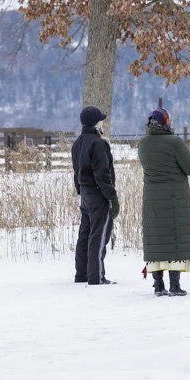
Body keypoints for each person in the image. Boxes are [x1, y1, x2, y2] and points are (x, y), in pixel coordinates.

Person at [138, 107, 190, 297]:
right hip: (176, 197)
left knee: (156, 238)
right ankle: (175, 285)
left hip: (152, 198)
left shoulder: (143, 144)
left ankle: (158, 285)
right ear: (166, 123)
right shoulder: (174, 142)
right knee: (176, 237)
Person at [71, 106, 118, 286]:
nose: (103, 122)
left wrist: (80, 189)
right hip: (98, 194)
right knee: (99, 235)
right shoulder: (98, 143)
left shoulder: (78, 142)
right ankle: (96, 276)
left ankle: (82, 274)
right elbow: (102, 173)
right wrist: (112, 196)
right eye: (101, 120)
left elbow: (77, 171)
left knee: (85, 233)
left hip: (85, 193)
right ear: (96, 123)